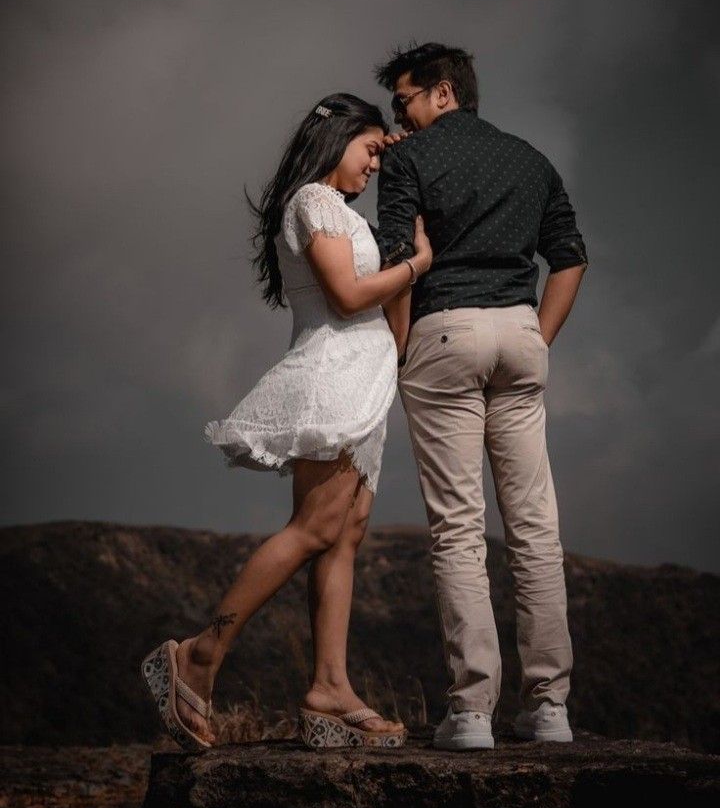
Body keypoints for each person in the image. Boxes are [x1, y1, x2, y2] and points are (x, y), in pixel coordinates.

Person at [140, 93, 433, 751]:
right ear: (338, 139)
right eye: (371, 150)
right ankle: (198, 654)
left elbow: (395, 330)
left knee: (345, 535)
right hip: (332, 379)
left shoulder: (347, 213)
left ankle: (330, 686)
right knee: (317, 526)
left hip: (367, 383)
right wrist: (416, 263)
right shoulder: (313, 201)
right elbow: (348, 295)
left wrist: (407, 266)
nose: (376, 166)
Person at [373, 42, 588, 749]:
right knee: (535, 526)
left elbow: (402, 259)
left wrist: (399, 350)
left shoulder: (407, 161)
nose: (396, 117)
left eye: (402, 99)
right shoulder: (531, 158)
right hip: (521, 332)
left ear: (441, 92)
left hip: (443, 330)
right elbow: (570, 256)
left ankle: (472, 713)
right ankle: (550, 706)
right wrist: (537, 336)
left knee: (459, 528)